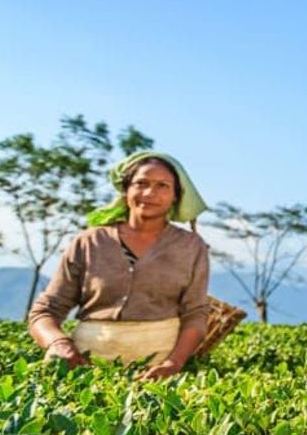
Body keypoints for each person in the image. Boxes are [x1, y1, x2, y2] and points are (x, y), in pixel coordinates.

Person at [27, 152, 210, 380]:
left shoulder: (190, 246)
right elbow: (45, 310)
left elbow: (196, 314)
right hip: (84, 365)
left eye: (162, 186)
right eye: (141, 183)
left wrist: (173, 363)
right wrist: (59, 343)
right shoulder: (89, 242)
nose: (149, 193)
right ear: (126, 190)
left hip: (159, 366)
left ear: (176, 196)